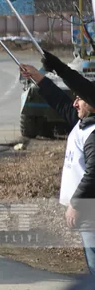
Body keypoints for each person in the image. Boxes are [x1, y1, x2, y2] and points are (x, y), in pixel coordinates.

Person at [20, 63, 95, 275]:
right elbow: (60, 103)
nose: (74, 103)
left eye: (79, 98)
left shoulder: (93, 133)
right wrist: (38, 78)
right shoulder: (84, 125)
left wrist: (76, 204)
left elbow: (94, 173)